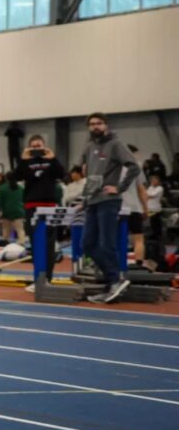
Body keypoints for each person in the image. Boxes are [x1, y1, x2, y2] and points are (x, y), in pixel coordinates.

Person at [80, 112, 141, 304]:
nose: (95, 126)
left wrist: (119, 188)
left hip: (109, 200)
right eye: (92, 124)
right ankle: (114, 279)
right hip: (92, 201)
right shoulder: (89, 147)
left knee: (107, 244)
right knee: (87, 245)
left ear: (106, 125)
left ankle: (114, 281)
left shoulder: (116, 144)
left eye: (99, 123)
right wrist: (84, 200)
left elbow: (134, 167)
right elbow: (90, 176)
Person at [17, 135, 65, 241]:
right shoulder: (26, 162)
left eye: (38, 146)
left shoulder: (51, 161)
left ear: (44, 146)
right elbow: (16, 176)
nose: (36, 149)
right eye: (33, 147)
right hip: (31, 204)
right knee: (33, 236)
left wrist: (53, 159)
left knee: (50, 237)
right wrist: (23, 160)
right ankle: (36, 257)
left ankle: (51, 256)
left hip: (49, 204)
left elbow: (62, 174)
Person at [121, 145, 149, 265]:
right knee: (138, 239)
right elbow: (141, 190)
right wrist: (145, 209)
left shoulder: (110, 166)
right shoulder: (135, 167)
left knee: (117, 238)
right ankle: (139, 264)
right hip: (134, 208)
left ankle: (118, 263)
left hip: (116, 208)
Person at [0, 172, 25, 244]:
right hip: (18, 211)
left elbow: (0, 202)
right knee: (20, 230)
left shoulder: (2, 188)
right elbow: (24, 200)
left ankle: (5, 246)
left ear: (6, 178)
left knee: (6, 230)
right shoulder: (21, 188)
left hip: (7, 211)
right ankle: (22, 245)